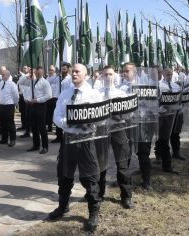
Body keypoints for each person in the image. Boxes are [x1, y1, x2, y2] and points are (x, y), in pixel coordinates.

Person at [47, 64, 102, 232]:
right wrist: (68, 123)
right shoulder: (65, 93)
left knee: (89, 177)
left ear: (85, 74)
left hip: (86, 141)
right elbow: (56, 116)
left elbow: (100, 118)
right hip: (68, 139)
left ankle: (93, 213)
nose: (74, 74)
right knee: (64, 175)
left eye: (77, 71)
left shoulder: (93, 94)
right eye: (73, 71)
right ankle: (63, 207)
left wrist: (86, 122)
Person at [98, 66, 134, 209]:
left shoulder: (122, 93)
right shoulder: (97, 94)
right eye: (106, 74)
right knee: (101, 163)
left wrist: (120, 114)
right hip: (102, 130)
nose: (108, 77)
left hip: (118, 129)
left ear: (115, 76)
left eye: (111, 74)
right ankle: (99, 194)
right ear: (102, 76)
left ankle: (126, 196)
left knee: (123, 163)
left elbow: (129, 114)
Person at [18, 66, 52, 154]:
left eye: (39, 73)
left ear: (43, 73)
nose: (37, 74)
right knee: (34, 127)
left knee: (42, 127)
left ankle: (45, 146)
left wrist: (37, 100)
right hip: (31, 105)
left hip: (40, 106)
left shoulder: (45, 83)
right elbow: (20, 82)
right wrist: (27, 75)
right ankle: (36, 145)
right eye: (36, 73)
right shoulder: (32, 81)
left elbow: (49, 95)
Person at [155, 68, 180, 173]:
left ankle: (166, 165)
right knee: (162, 139)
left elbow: (178, 101)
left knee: (165, 139)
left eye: (171, 74)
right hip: (161, 116)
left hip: (171, 116)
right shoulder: (159, 86)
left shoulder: (176, 86)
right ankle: (162, 159)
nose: (169, 76)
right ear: (164, 74)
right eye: (167, 74)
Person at [0, 70, 19, 147]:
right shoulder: (0, 83)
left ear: (8, 75)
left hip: (9, 105)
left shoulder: (12, 84)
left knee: (10, 123)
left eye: (3, 75)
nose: (2, 76)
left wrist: (15, 104)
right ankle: (4, 138)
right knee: (2, 122)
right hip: (1, 105)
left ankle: (12, 139)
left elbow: (16, 96)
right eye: (2, 74)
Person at [52, 63, 72, 143]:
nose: (63, 70)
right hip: (57, 99)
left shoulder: (69, 79)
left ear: (68, 69)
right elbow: (50, 81)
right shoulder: (58, 78)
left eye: (64, 69)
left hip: (65, 101)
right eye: (62, 69)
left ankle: (66, 136)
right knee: (57, 117)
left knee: (65, 119)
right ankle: (58, 136)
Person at [46, 65, 59, 133]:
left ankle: (56, 129)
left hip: (54, 97)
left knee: (54, 114)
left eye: (52, 70)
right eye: (49, 69)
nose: (50, 71)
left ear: (54, 70)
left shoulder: (56, 77)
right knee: (49, 114)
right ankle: (49, 127)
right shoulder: (47, 77)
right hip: (48, 98)